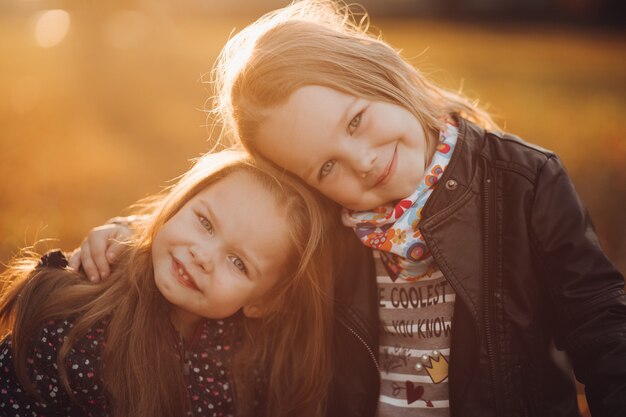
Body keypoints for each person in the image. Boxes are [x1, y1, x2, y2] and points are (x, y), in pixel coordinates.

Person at [72, 1, 626, 416]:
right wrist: (136, 236)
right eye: (325, 167)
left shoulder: (523, 184)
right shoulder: (332, 221)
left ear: (379, 72)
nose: (361, 163)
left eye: (356, 121)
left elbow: (602, 325)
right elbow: (242, 219)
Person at [0, 150, 339, 417]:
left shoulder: (254, 361)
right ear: (178, 204)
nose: (202, 256)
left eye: (238, 263)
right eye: (205, 223)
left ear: (263, 302)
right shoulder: (72, 323)